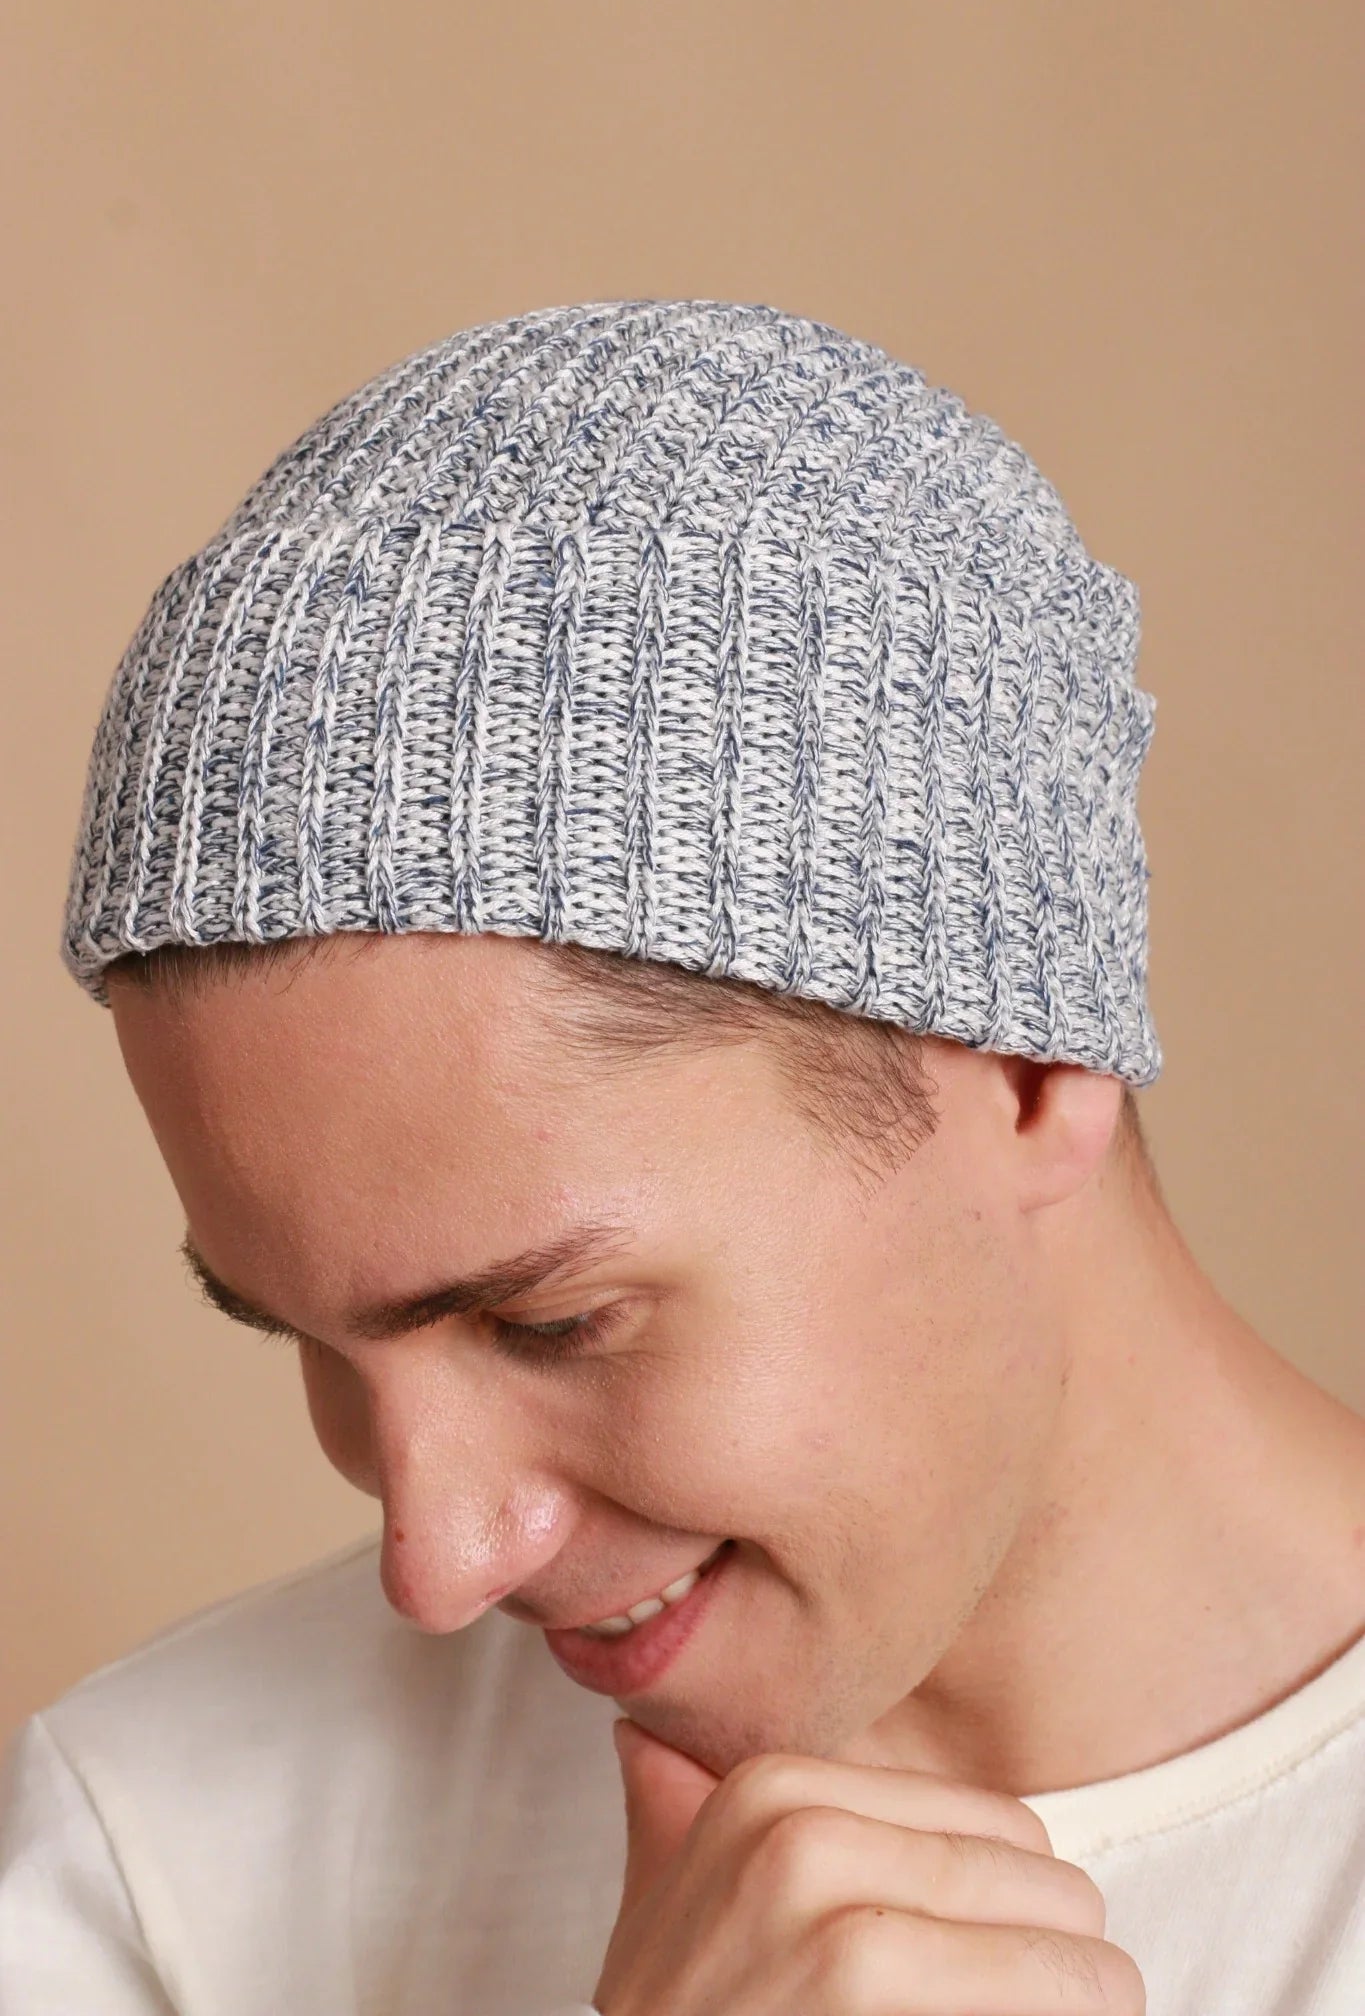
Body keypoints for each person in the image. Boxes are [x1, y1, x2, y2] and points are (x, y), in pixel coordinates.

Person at [1, 299, 1361, 2015]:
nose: (438, 1565)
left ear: (1025, 1069)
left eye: (551, 1322)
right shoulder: (162, 1856)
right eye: (305, 1340)